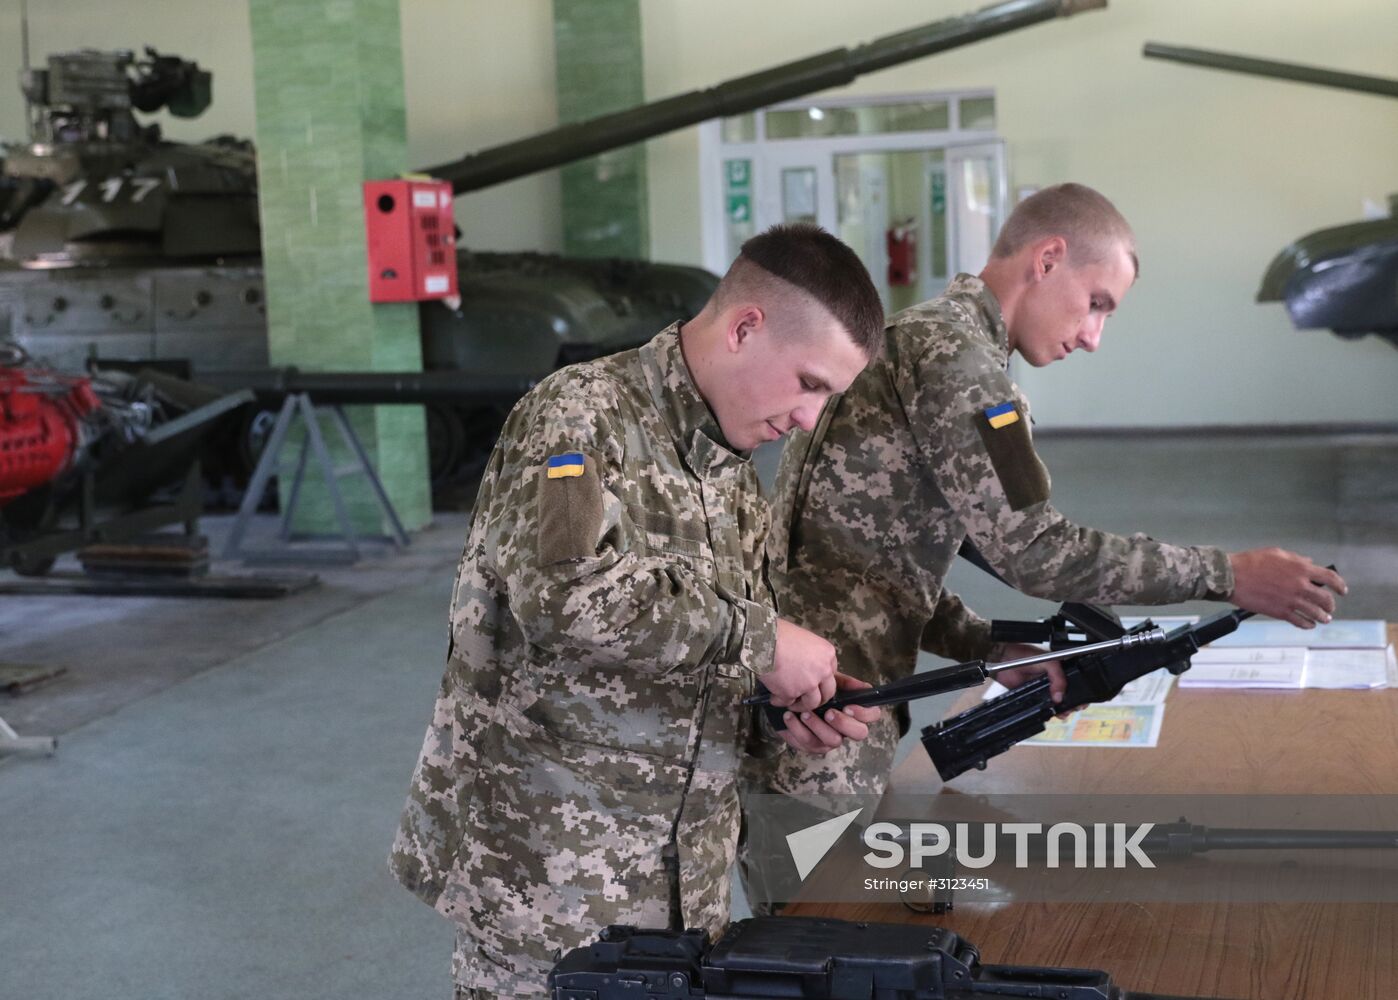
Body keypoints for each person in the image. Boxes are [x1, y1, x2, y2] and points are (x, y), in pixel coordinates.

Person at [388, 223, 886, 1000]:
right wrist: (759, 638)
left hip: (682, 898)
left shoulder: (731, 475)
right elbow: (563, 595)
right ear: (745, 327)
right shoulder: (582, 416)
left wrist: (780, 712)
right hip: (549, 897)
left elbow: (699, 669)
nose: (808, 419)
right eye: (810, 383)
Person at [750, 181, 1348, 817]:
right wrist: (1227, 575)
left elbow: (866, 561)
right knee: (816, 908)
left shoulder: (914, 337)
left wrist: (989, 647)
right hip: (819, 726)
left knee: (817, 899)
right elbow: (1035, 552)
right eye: (1095, 303)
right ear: (1047, 259)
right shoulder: (962, 364)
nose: (1093, 336)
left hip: (813, 703)